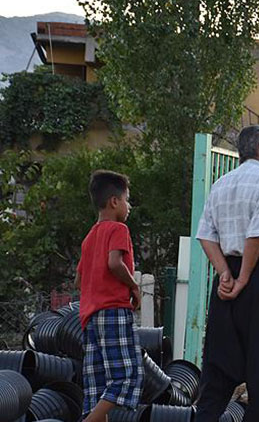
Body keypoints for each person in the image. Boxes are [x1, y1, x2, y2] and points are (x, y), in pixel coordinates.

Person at [194, 125, 259, 421]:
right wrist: (244, 279)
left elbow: (205, 235)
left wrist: (226, 274)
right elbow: (257, 233)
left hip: (226, 278)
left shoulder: (221, 184)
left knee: (218, 367)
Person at [76, 170, 143, 422]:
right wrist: (133, 287)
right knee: (126, 376)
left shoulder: (89, 237)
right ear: (114, 201)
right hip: (114, 310)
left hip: (89, 316)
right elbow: (114, 263)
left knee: (97, 386)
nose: (129, 206)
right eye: (127, 200)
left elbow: (78, 279)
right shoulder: (118, 229)